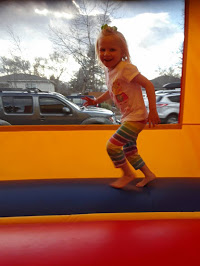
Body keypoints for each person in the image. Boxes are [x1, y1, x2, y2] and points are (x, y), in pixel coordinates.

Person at [83, 24, 160, 189]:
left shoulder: (126, 69)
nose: (106, 54)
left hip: (137, 117)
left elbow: (149, 85)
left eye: (112, 49)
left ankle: (127, 174)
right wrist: (95, 102)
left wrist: (153, 110)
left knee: (112, 146)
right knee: (130, 151)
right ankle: (149, 175)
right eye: (102, 50)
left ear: (123, 52)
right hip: (127, 118)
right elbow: (111, 91)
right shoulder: (110, 71)